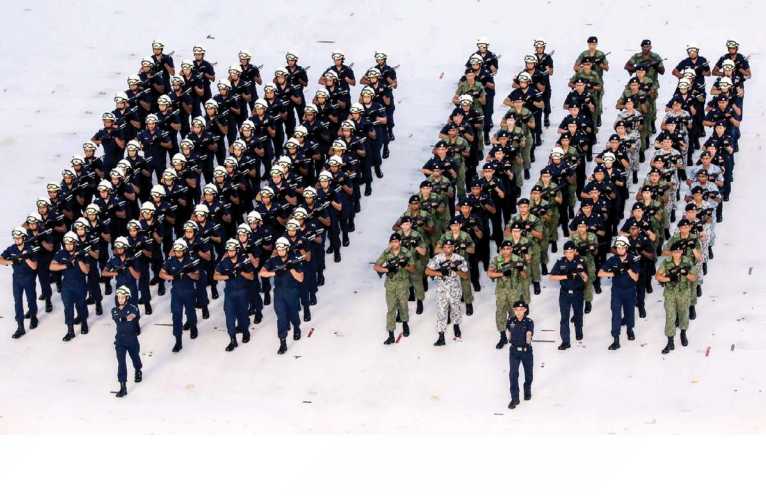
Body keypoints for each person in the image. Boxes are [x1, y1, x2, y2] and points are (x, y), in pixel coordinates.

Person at [259, 237, 304, 354]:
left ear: (287, 248)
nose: (280, 251)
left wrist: (291, 270)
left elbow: (300, 278)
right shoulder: (273, 260)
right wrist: (275, 272)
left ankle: (297, 328)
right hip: (279, 293)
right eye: (278, 249)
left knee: (294, 313)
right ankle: (283, 342)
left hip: (292, 291)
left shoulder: (294, 259)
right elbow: (262, 273)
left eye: (282, 249)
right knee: (281, 317)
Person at [655, 241, 699, 354]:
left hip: (684, 293)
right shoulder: (666, 262)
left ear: (682, 252)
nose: (677, 254)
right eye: (675, 251)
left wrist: (685, 273)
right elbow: (658, 276)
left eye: (679, 251)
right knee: (670, 316)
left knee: (684, 314)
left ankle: (683, 333)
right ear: (672, 252)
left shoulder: (687, 262)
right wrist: (669, 279)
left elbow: (694, 278)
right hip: (670, 293)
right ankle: (670, 342)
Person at [424, 238, 469, 346]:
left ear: (453, 247)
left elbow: (465, 275)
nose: (447, 249)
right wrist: (440, 273)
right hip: (442, 289)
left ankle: (456, 326)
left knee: (456, 309)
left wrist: (455, 269)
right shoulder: (438, 258)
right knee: (441, 311)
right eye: (445, 247)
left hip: (454, 288)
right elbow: (427, 271)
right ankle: (441, 336)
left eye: (449, 247)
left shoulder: (459, 259)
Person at [373, 233, 415, 345]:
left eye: (396, 241)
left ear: (400, 242)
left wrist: (404, 265)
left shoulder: (406, 252)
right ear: (390, 242)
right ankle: (391, 334)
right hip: (390, 284)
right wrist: (387, 269)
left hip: (402, 284)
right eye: (392, 242)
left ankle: (405, 324)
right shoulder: (387, 252)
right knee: (391, 308)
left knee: (403, 305)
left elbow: (413, 268)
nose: (394, 244)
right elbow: (376, 266)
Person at [598, 236, 639, 350]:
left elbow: (636, 278)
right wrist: (613, 274)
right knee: (616, 314)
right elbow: (600, 273)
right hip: (617, 291)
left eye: (622, 247)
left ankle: (630, 329)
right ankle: (616, 339)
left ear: (626, 247)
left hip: (630, 290)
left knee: (629, 312)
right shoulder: (613, 260)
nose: (620, 249)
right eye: (618, 247)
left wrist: (628, 268)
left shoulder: (633, 259)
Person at [214, 238, 255, 352]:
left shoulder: (244, 261)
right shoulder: (224, 262)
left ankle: (245, 332)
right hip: (230, 293)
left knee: (243, 314)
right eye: (228, 250)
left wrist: (241, 271)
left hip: (242, 291)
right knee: (229, 316)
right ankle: (232, 339)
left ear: (237, 250)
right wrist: (228, 276)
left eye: (232, 250)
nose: (230, 252)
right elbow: (215, 276)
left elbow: (252, 276)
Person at [160, 239, 201, 352]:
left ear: (184, 250)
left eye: (180, 250)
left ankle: (193, 327)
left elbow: (197, 277)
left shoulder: (191, 260)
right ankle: (178, 341)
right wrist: (172, 277)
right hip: (176, 292)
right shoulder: (170, 260)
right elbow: (161, 273)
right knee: (176, 316)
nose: (177, 252)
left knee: (191, 312)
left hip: (189, 291)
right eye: (176, 250)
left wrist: (189, 273)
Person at [49, 231, 91, 341]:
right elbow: (52, 267)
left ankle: (84, 323)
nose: (68, 245)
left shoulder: (83, 254)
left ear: (75, 243)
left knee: (81, 305)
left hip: (80, 284)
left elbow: (86, 271)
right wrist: (64, 265)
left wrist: (79, 261)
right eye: (66, 243)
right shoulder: (61, 253)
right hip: (66, 286)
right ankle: (70, 331)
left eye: (70, 243)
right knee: (68, 308)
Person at [487, 239, 528, 349]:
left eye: (509, 248)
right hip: (501, 292)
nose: (506, 251)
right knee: (500, 313)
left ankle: (515, 335)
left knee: (515, 314)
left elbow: (525, 276)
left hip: (514, 292)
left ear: (512, 249)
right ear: (501, 250)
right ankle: (503, 336)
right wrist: (501, 273)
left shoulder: (517, 259)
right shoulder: (496, 259)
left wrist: (520, 269)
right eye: (504, 249)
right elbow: (490, 273)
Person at [0, 227, 39, 338]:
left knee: (31, 298)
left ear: (24, 237)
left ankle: (33, 317)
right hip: (16, 279)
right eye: (15, 238)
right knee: (17, 302)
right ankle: (20, 326)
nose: (16, 240)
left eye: (18, 238)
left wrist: (26, 258)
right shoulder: (11, 249)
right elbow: (0, 259)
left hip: (29, 278)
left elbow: (34, 266)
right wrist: (11, 261)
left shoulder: (31, 248)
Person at [549, 240, 588, 349]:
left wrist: (581, 271)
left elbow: (586, 279)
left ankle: (579, 332)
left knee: (578, 315)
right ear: (564, 253)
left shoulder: (580, 261)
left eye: (571, 251)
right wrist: (566, 276)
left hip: (578, 293)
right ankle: (565, 341)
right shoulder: (560, 263)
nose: (569, 254)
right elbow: (551, 277)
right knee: (564, 317)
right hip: (565, 293)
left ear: (575, 251)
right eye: (567, 252)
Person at [111, 285, 142, 398]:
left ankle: (138, 369)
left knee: (135, 357)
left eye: (123, 297)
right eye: (118, 297)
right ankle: (123, 386)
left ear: (127, 298)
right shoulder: (114, 310)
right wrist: (124, 317)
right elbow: (119, 318)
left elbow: (132, 316)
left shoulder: (133, 307)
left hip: (132, 338)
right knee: (121, 362)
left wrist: (125, 317)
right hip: (120, 340)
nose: (120, 299)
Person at [507, 300, 534, 410]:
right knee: (513, 375)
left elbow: (529, 333)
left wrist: (528, 339)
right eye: (516, 310)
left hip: (526, 351)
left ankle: (527, 389)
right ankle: (515, 398)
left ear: (525, 310)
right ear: (514, 310)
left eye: (521, 310)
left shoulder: (529, 322)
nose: (518, 312)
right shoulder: (511, 321)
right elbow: (509, 332)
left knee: (529, 374)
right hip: (514, 352)